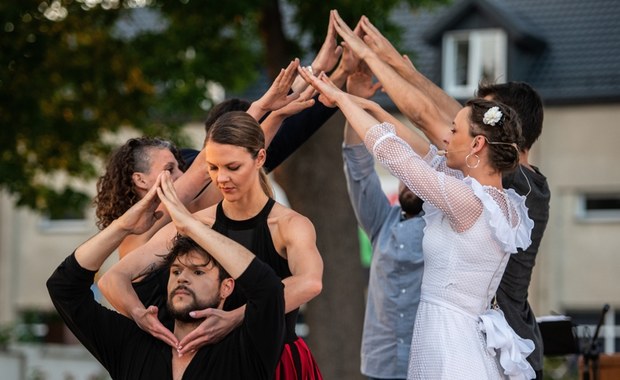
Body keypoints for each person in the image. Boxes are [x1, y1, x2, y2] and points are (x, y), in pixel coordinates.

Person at [332, 12, 549, 377]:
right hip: (477, 338)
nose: (454, 132)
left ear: (491, 137)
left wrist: (378, 62)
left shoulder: (510, 181)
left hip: (496, 343)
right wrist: (404, 72)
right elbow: (440, 117)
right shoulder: (507, 177)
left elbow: (425, 115)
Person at [98, 111, 324, 379]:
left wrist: (236, 317)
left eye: (233, 167)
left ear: (259, 159)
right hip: (211, 363)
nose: (221, 178)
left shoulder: (289, 224)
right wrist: (142, 317)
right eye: (213, 168)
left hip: (277, 363)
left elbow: (310, 283)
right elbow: (112, 278)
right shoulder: (194, 224)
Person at [47, 170, 286, 379]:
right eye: (176, 270)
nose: (182, 277)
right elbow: (64, 287)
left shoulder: (247, 348)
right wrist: (122, 227)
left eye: (198, 271)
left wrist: (190, 225)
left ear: (226, 287)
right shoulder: (133, 344)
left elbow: (268, 289)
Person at [342, 67, 425, 380]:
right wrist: (355, 102)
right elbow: (358, 169)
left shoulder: (450, 223)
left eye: (415, 174)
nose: (405, 181)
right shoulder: (383, 221)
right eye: (402, 175)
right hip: (381, 364)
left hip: (430, 364)